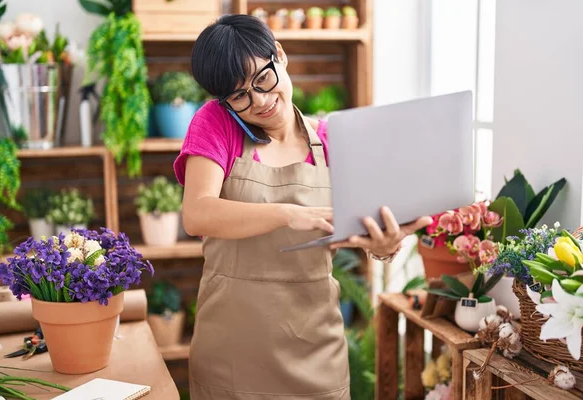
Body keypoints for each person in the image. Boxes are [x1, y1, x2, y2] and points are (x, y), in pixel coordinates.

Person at [173, 14, 432, 399]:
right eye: (240, 95)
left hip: (314, 347)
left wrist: (384, 246)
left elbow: (362, 231)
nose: (260, 101)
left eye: (263, 79)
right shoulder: (216, 124)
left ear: (279, 54)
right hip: (233, 348)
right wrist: (287, 213)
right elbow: (198, 213)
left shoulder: (330, 139)